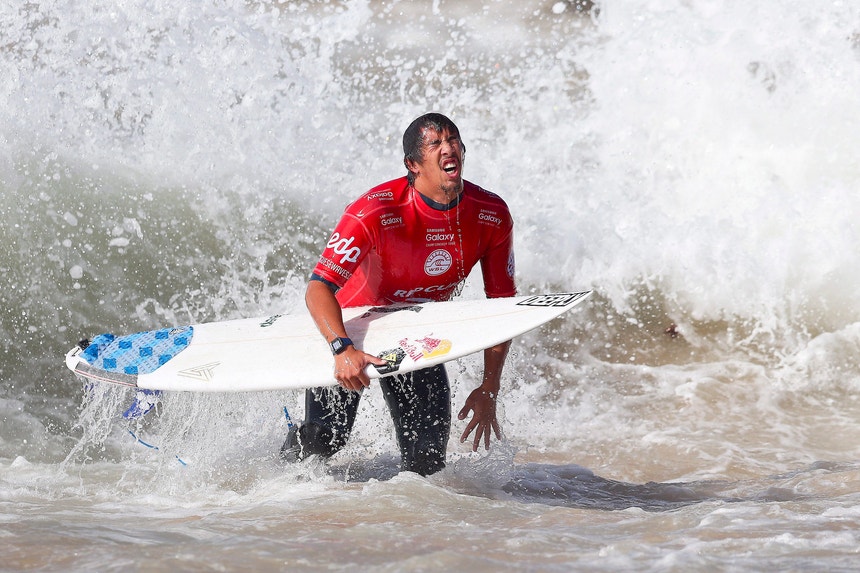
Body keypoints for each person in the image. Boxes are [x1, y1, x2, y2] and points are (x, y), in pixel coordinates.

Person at [281, 113, 516, 476]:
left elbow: (502, 306)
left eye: (453, 140)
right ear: (413, 164)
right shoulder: (376, 210)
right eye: (435, 144)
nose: (448, 148)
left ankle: (409, 531)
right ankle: (271, 479)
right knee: (324, 441)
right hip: (354, 330)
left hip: (414, 337)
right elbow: (318, 288)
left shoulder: (491, 215)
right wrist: (341, 348)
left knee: (427, 461)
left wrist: (489, 387)